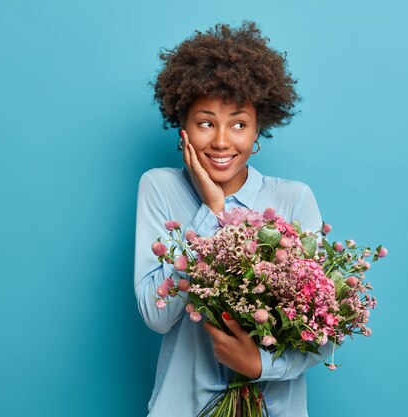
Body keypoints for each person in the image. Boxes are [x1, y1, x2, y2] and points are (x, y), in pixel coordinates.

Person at [134, 21, 334, 417]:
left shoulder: (293, 198)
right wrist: (211, 210)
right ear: (183, 129)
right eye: (206, 122)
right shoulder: (159, 187)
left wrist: (260, 365)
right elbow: (156, 316)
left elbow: (323, 331)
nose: (222, 140)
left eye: (239, 124)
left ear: (259, 127)